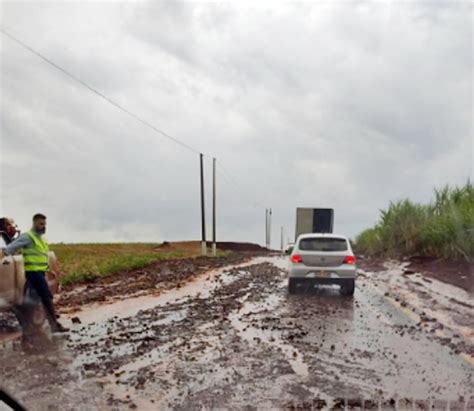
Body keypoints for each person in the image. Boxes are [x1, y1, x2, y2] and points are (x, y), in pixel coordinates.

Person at [0, 213, 69, 333]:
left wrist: (50, 270)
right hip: (32, 273)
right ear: (35, 224)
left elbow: (42, 256)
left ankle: (32, 329)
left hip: (38, 273)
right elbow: (8, 249)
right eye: (41, 224)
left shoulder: (41, 239)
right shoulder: (28, 237)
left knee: (33, 301)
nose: (43, 226)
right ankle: (50, 326)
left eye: (44, 224)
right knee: (42, 298)